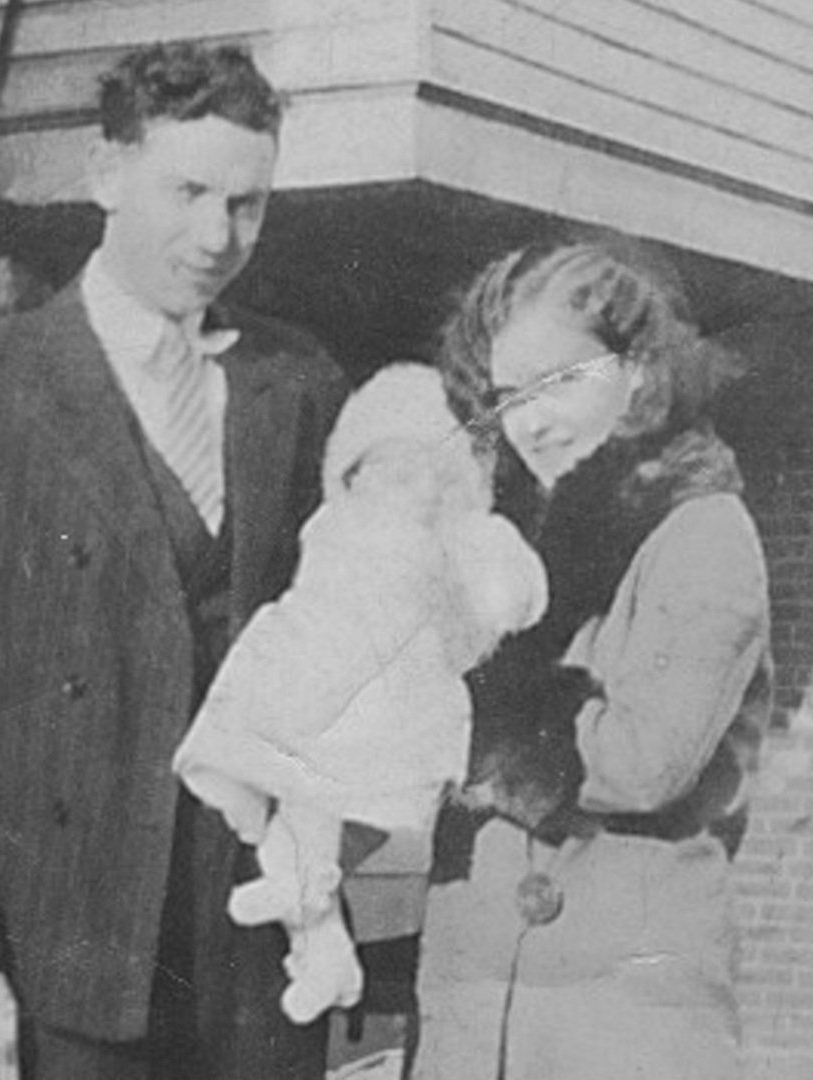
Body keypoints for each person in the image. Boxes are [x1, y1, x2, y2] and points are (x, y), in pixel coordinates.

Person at [0, 41, 348, 1080]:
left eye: (248, 203)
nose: (217, 236)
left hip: (255, 949)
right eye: (188, 191)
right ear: (105, 174)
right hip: (69, 958)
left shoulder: (297, 382)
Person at [412, 240, 774, 1080]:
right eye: (507, 396)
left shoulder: (700, 530)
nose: (530, 420)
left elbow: (647, 762)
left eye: (560, 382)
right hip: (480, 999)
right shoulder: (505, 541)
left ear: (639, 372)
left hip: (622, 1004)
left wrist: (477, 713)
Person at [171, 362, 547, 1025]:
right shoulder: (334, 526)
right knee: (293, 804)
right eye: (397, 474)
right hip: (314, 683)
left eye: (436, 478)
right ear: (353, 476)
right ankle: (312, 929)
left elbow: (499, 601)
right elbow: (313, 594)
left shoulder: (450, 544)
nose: (417, 492)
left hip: (385, 705)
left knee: (340, 816)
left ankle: (311, 907)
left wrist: (487, 555)